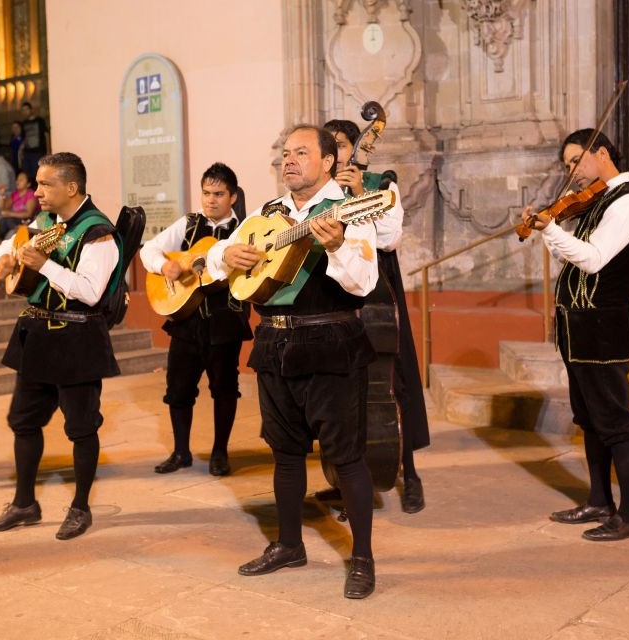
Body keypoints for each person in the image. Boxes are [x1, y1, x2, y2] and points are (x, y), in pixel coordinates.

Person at [207, 125, 380, 599]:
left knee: (345, 458)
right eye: (285, 154)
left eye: (301, 153)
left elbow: (364, 281)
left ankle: (362, 558)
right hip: (273, 345)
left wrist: (337, 245)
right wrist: (229, 253)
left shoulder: (350, 209)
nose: (289, 161)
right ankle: (288, 544)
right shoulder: (268, 213)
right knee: (284, 453)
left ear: (327, 162)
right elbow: (215, 258)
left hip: (331, 342)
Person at [0, 152, 120, 541]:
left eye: (45, 184)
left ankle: (80, 507)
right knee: (23, 421)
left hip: (78, 338)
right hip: (37, 337)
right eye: (37, 183)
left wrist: (45, 267)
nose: (36, 191)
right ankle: (25, 504)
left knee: (81, 427)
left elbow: (90, 293)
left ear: (71, 187)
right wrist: (3, 260)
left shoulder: (98, 232)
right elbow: (7, 246)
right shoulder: (45, 223)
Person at [520, 129, 629, 542]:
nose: (571, 172)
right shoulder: (595, 201)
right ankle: (599, 500)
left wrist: (551, 229)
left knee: (615, 423)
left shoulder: (628, 203)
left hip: (604, 329)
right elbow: (571, 255)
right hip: (577, 329)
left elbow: (593, 260)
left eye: (576, 161)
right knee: (590, 420)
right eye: (566, 166)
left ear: (602, 153)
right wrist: (551, 230)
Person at [324, 118, 431, 514]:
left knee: (395, 379)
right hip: (337, 291)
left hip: (380, 288)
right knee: (346, 388)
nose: (337, 153)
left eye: (342, 144)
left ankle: (411, 473)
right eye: (329, 146)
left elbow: (390, 238)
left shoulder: (382, 184)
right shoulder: (322, 192)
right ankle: (350, 477)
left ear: (356, 148)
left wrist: (359, 195)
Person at [140, 163, 252, 477]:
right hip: (187, 323)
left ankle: (220, 452)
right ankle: (180, 452)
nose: (211, 200)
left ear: (232, 197)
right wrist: (165, 267)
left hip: (224, 323)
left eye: (218, 194)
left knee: (225, 389)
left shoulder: (244, 231)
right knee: (178, 389)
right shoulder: (188, 224)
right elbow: (149, 249)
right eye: (206, 193)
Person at [0, 171, 40, 241]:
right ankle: (2, 240)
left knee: (7, 221)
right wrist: (1, 195)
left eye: (21, 180)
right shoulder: (15, 194)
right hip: (15, 220)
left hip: (27, 221)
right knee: (3, 221)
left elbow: (29, 214)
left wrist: (9, 214)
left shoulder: (31, 194)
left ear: (28, 184)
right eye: (17, 179)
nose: (17, 182)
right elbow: (3, 207)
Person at [20, 102, 50, 172]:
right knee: (26, 172)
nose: (25, 112)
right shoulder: (24, 123)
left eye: (26, 109)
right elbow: (25, 138)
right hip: (27, 152)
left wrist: (48, 150)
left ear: (31, 110)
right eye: (23, 110)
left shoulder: (40, 121)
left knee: (36, 172)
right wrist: (21, 150)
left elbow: (46, 135)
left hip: (38, 152)